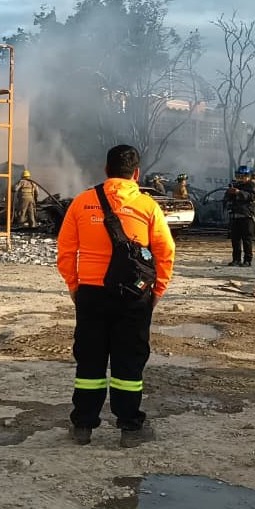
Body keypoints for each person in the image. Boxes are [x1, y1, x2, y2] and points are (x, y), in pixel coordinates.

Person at [56, 144, 175, 448]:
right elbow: (165, 252)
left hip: (91, 294)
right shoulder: (148, 206)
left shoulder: (82, 203)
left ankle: (83, 426)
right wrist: (156, 291)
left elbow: (66, 251)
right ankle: (130, 429)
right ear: (136, 173)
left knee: (90, 362)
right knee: (129, 363)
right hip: (134, 296)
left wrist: (74, 286)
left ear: (106, 170)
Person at [225, 166, 255, 266]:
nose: (240, 178)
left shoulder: (252, 185)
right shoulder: (236, 185)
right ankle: (236, 259)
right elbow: (228, 198)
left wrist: (239, 192)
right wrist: (230, 193)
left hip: (247, 216)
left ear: (247, 176)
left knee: (247, 240)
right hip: (235, 216)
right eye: (238, 176)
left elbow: (251, 196)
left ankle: (247, 260)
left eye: (242, 176)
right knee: (235, 239)